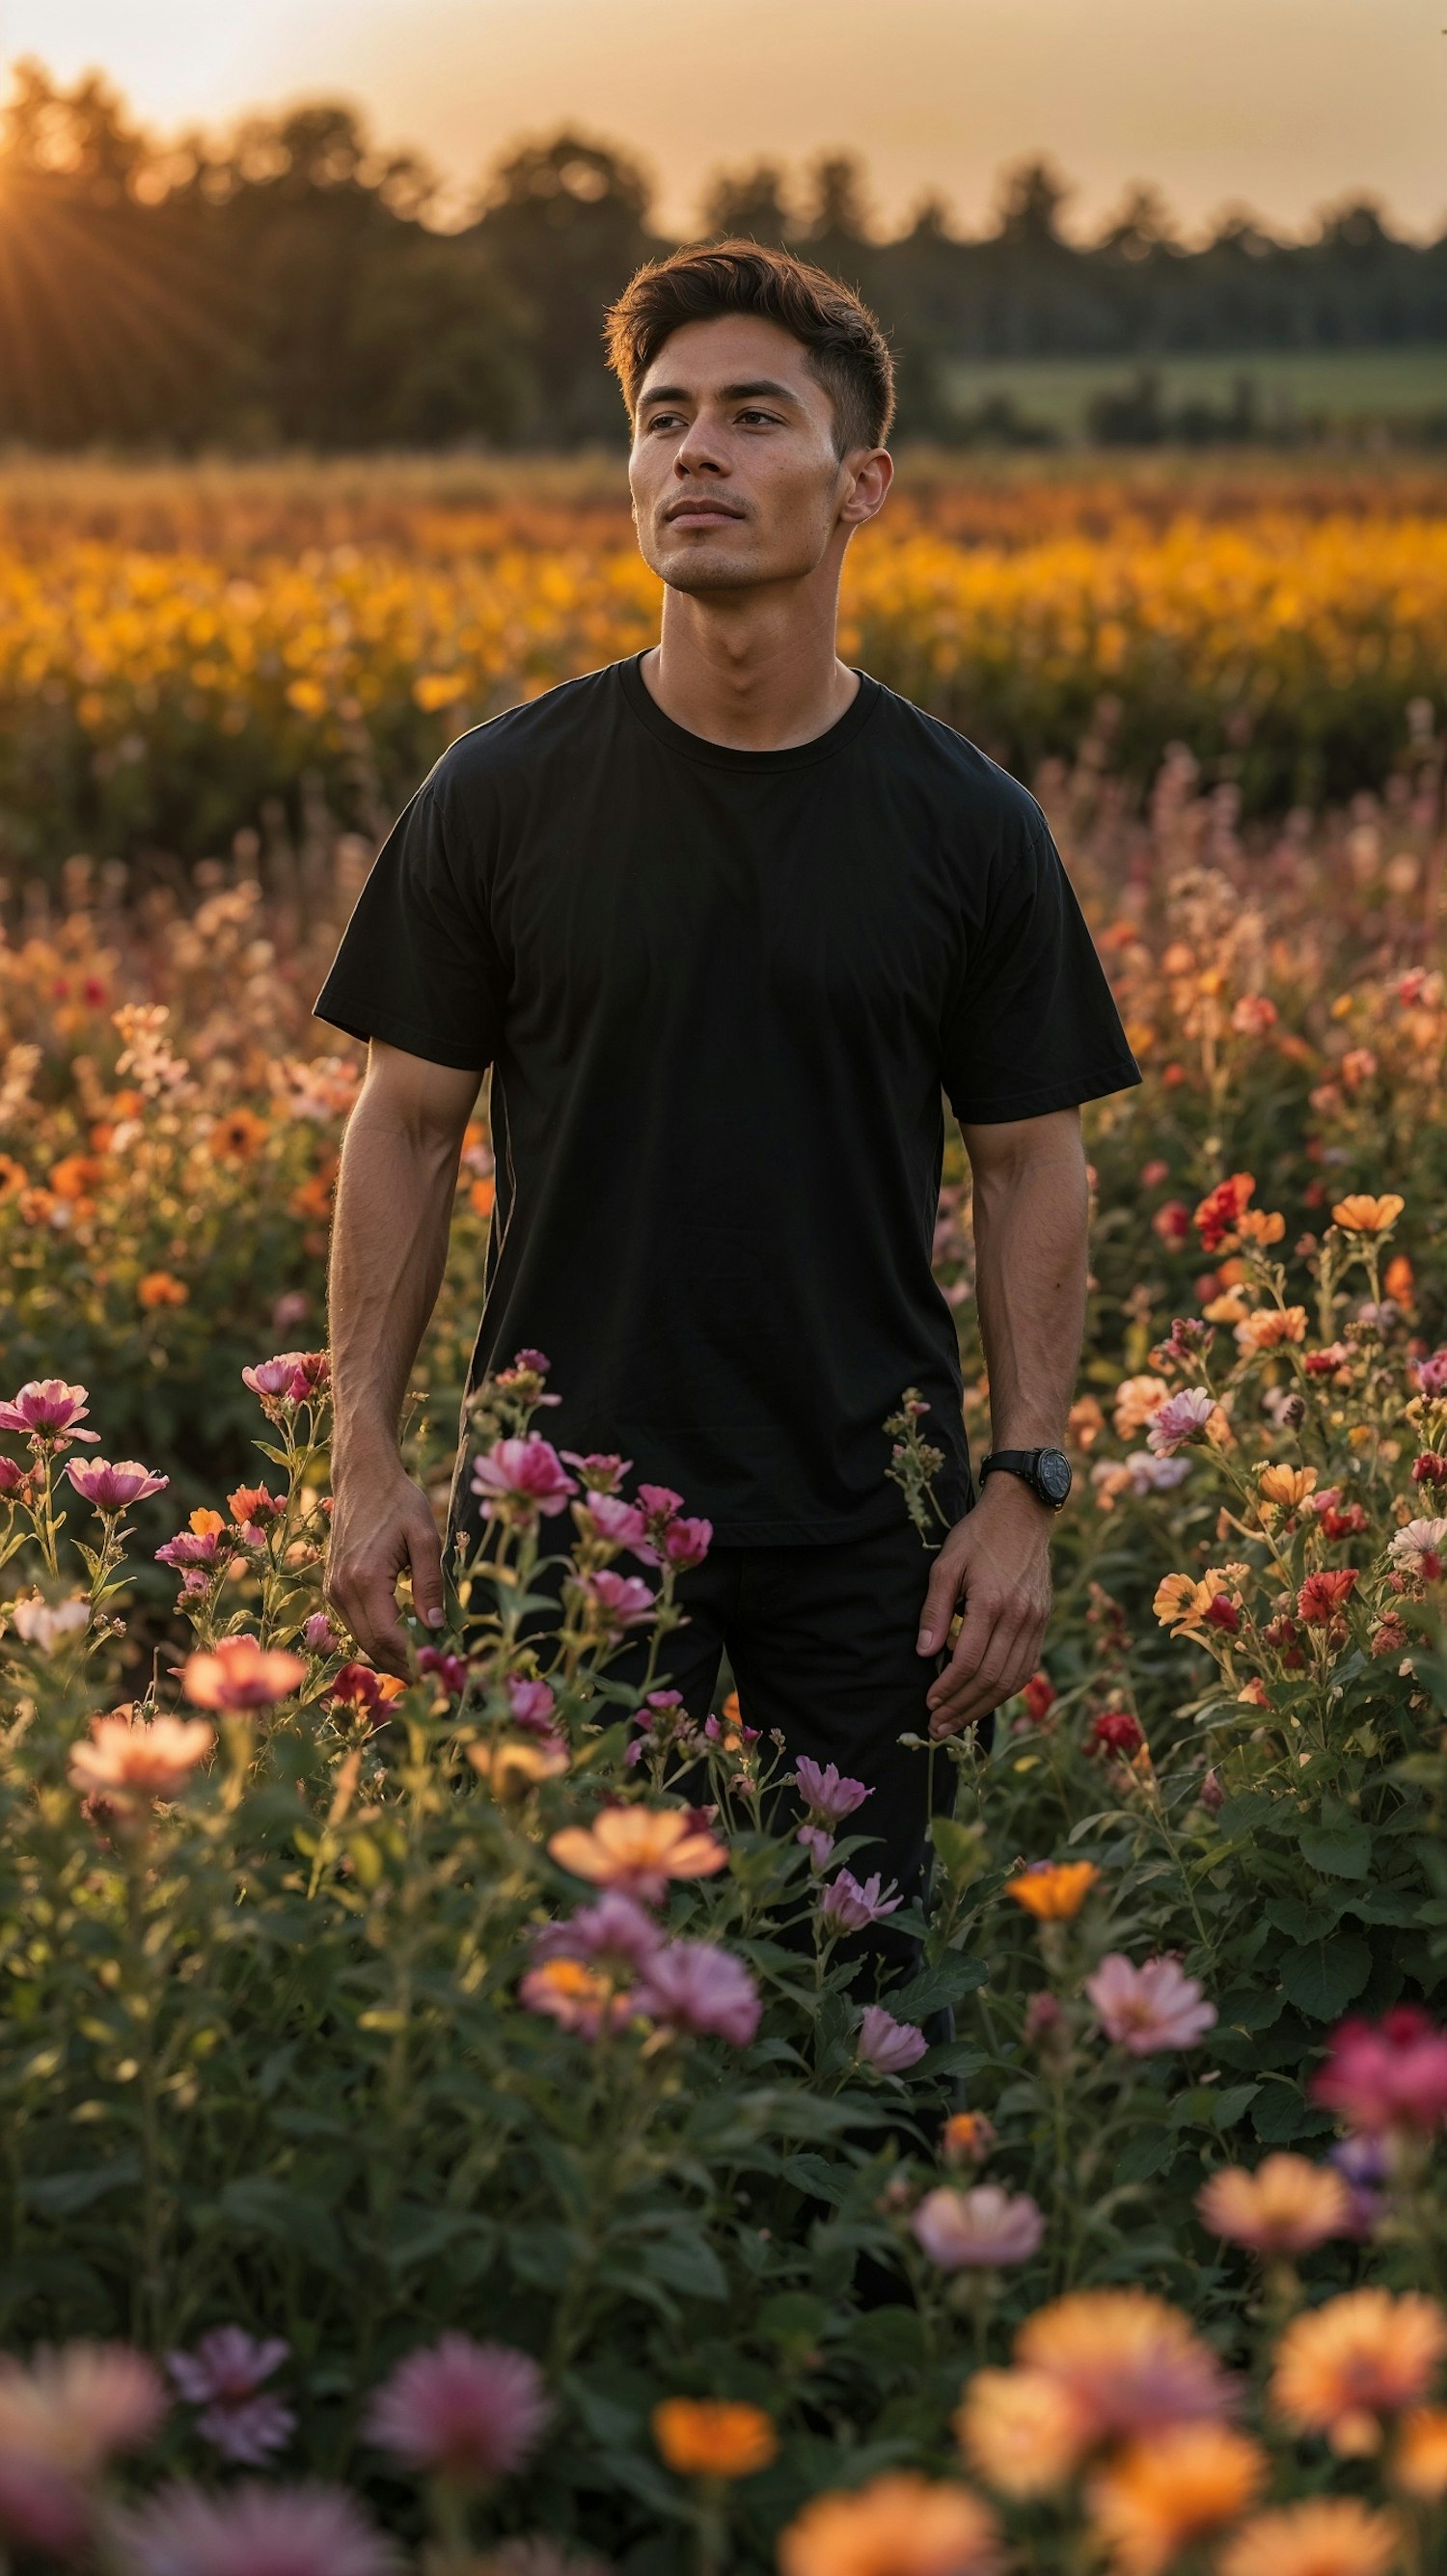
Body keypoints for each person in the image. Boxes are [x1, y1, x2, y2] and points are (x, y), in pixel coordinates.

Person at [314, 241, 1141, 1925]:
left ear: (863, 486)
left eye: (757, 417)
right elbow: (403, 1124)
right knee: (591, 2035)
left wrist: (1023, 1482)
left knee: (869, 2017)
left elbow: (1031, 1160)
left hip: (873, 1528)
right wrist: (365, 1449)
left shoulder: (969, 828)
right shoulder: (499, 796)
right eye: (664, 416)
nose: (696, 451)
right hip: (574, 1516)